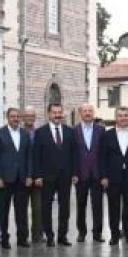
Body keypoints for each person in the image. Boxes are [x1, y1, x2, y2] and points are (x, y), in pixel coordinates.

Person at [99, 107, 128, 246]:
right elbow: (102, 158)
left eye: (126, 116)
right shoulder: (107, 135)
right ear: (116, 117)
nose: (123, 118)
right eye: (120, 116)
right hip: (112, 177)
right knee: (113, 207)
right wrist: (103, 176)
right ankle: (114, 235)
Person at [32, 102, 77, 246]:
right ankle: (49, 236)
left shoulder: (70, 131)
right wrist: (38, 175)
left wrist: (74, 173)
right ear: (48, 114)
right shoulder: (40, 132)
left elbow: (73, 154)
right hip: (47, 176)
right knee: (46, 207)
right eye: (54, 112)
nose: (57, 115)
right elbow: (36, 156)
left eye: (59, 112)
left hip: (65, 176)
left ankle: (62, 236)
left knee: (65, 207)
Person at [0, 107, 32, 249]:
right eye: (12, 116)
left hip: (21, 179)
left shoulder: (25, 134)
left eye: (17, 116)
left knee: (22, 210)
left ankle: (22, 238)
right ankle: (4, 238)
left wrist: (29, 175)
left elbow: (29, 157)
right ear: (7, 118)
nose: (15, 119)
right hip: (5, 179)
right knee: (4, 210)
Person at [73, 103, 104, 242]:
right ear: (81, 113)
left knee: (98, 205)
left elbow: (105, 154)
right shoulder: (73, 131)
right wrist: (73, 173)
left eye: (90, 111)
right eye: (85, 111)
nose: (87, 113)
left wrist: (104, 175)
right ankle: (81, 232)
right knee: (81, 205)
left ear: (94, 113)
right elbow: (71, 154)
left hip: (97, 174)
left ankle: (97, 233)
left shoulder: (101, 130)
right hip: (80, 175)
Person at [21, 106, 43, 244]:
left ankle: (37, 235)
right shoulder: (19, 132)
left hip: (38, 177)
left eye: (32, 115)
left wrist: (39, 175)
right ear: (23, 117)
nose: (30, 117)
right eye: (27, 115)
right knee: (22, 208)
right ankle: (23, 236)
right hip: (22, 177)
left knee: (38, 208)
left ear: (35, 117)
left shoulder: (40, 133)